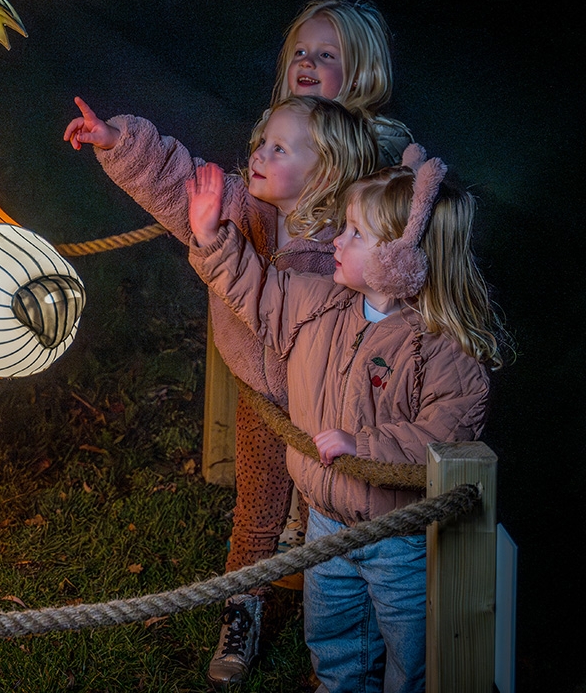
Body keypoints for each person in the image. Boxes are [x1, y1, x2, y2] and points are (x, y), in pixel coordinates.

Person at [64, 94, 379, 685]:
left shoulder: (344, 249)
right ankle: (243, 612)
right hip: (263, 403)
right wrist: (118, 141)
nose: (257, 154)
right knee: (257, 515)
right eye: (261, 141)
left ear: (326, 172)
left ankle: (340, 633)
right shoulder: (247, 207)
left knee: (330, 519)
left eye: (277, 149)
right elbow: (178, 179)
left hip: (324, 413)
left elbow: (287, 314)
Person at [185, 154, 506, 692]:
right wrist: (213, 238)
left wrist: (364, 445)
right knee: (332, 637)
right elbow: (258, 290)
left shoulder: (443, 349)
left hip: (398, 538)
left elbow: (447, 434)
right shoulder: (322, 304)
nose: (336, 239)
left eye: (355, 233)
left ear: (403, 258)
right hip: (325, 524)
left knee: (411, 651)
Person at [271, 0, 413, 167]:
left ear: (358, 75)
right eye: (300, 52)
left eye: (326, 55)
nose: (306, 61)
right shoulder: (273, 125)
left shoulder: (380, 137)